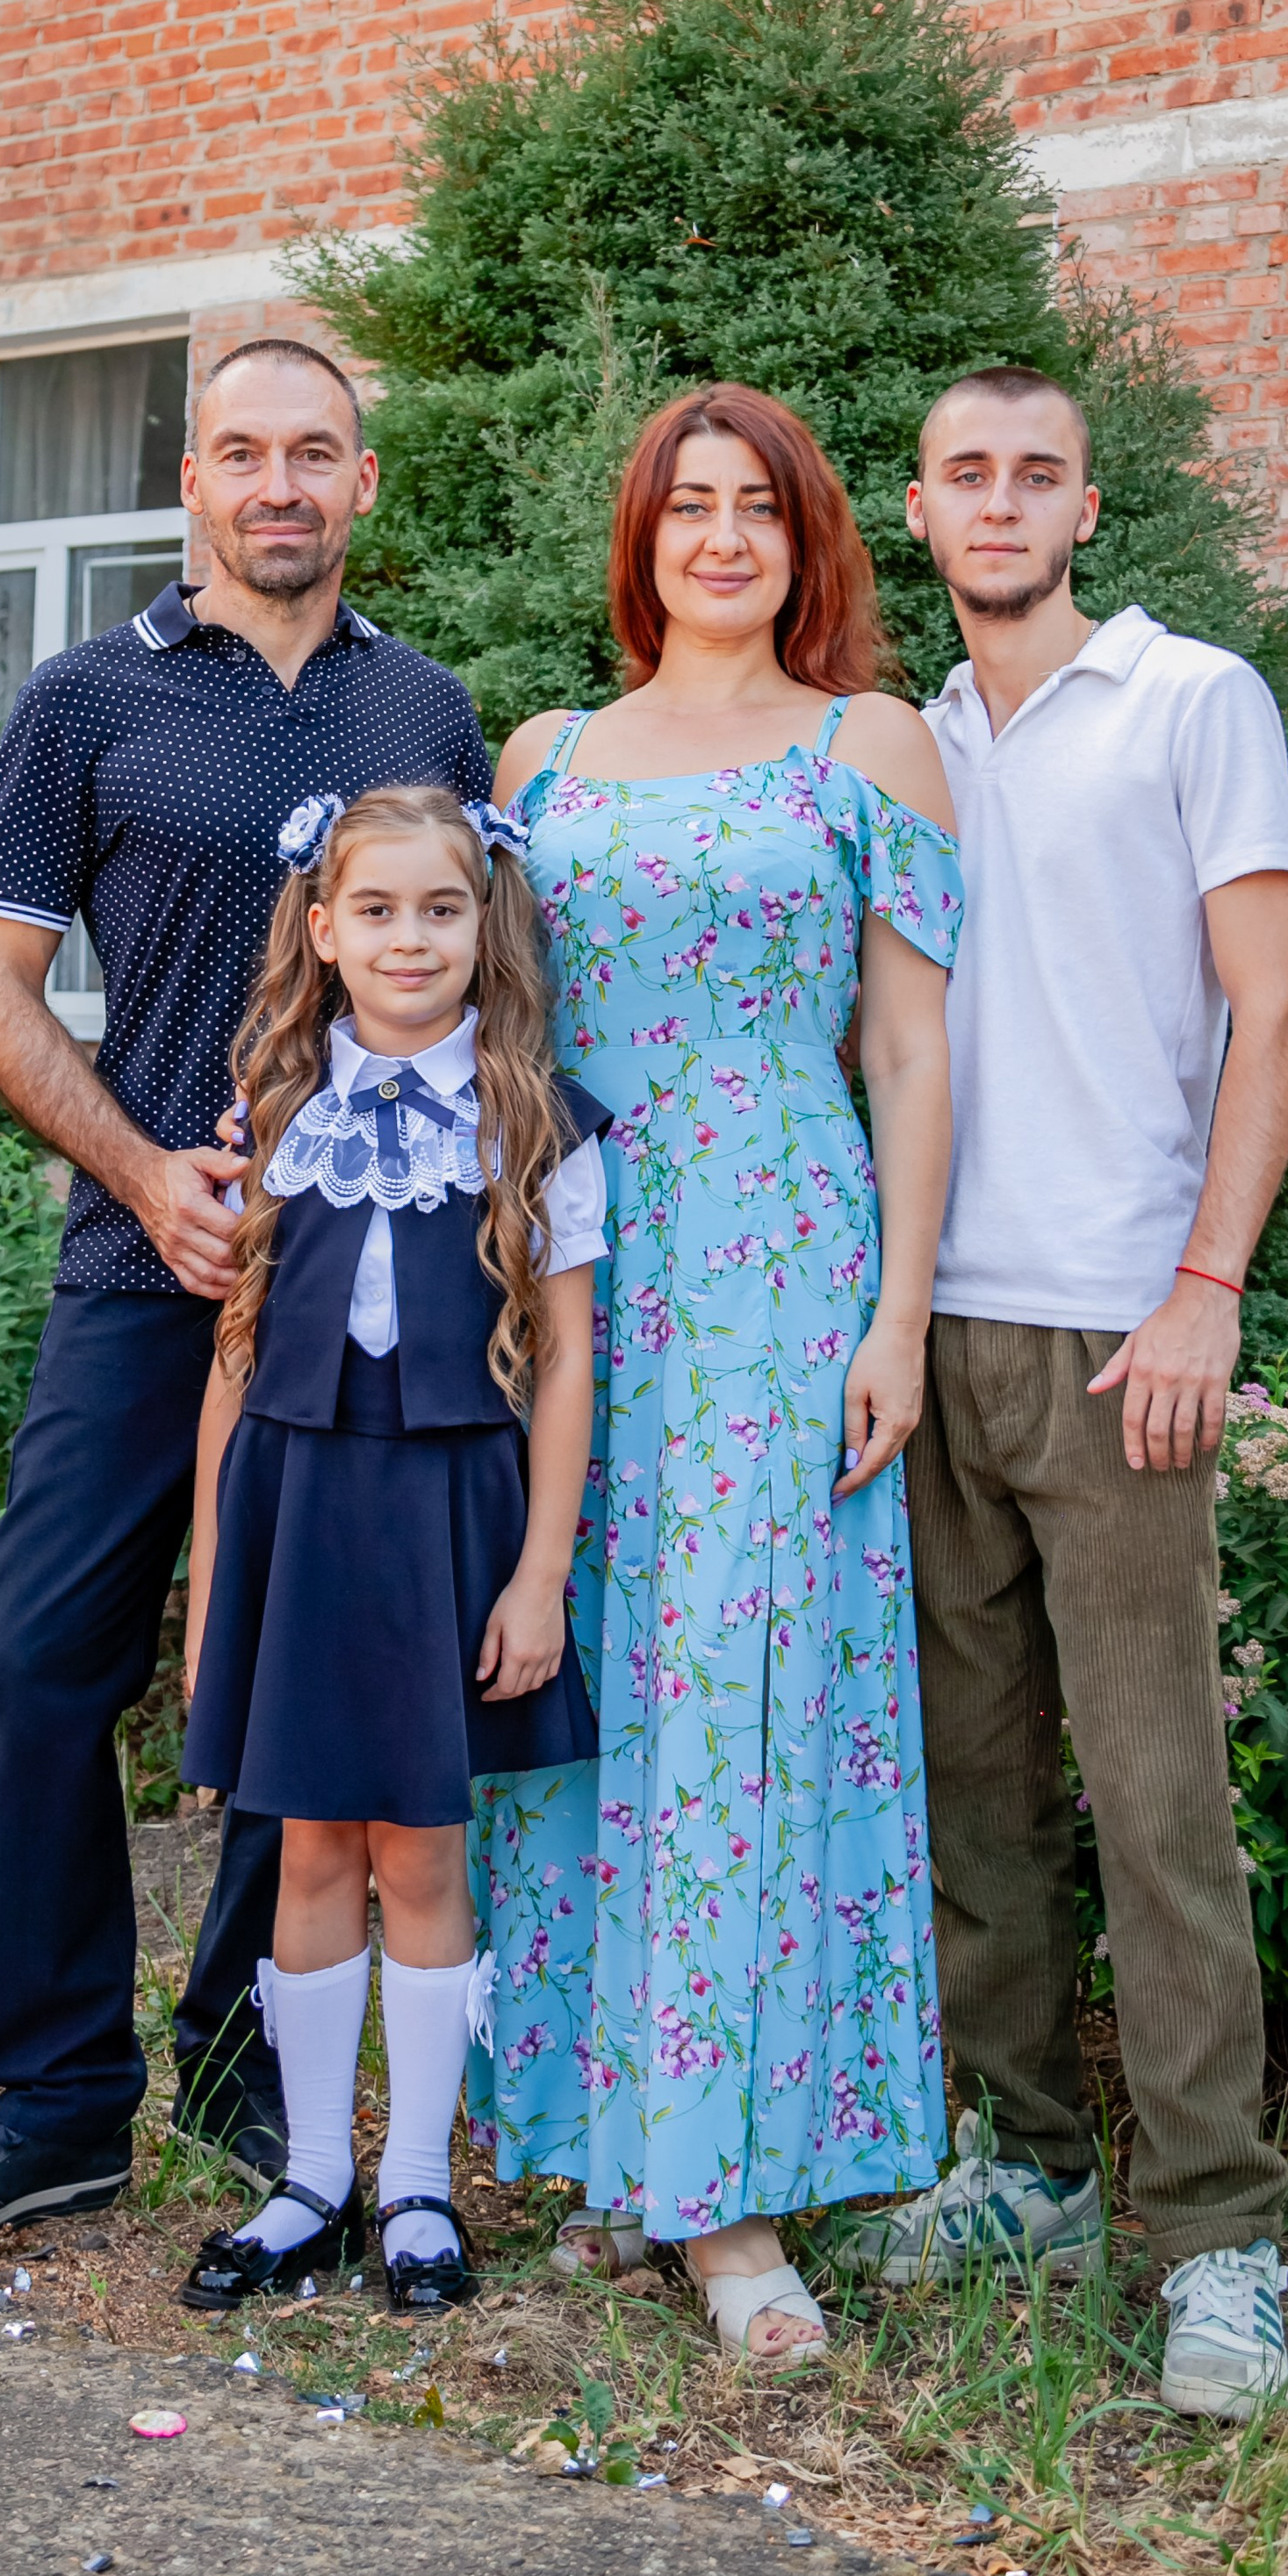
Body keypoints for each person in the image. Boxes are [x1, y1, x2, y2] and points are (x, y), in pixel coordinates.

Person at [0, 340, 492, 2248]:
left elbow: (470, 971)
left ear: (361, 485)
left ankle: (240, 2064)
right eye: (242, 453)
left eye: (314, 453)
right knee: (53, 1644)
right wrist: (146, 1175)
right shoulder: (84, 701)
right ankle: (57, 2098)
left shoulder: (428, 708)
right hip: (150, 1258)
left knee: (291, 1664)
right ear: (193, 484)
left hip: (369, 1285)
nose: (278, 484)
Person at [835, 364, 1288, 2423]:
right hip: (927, 1328)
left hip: (1125, 1335)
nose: (1002, 503)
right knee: (969, 1793)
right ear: (921, 516)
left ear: (1086, 509)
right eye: (967, 476)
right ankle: (1022, 2167)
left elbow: (1274, 1002)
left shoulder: (1189, 699)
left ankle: (1213, 2236)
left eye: (1036, 474)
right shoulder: (896, 738)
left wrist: (1206, 1285)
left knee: (1155, 1808)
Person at [479, 383, 964, 2364]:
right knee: (591, 1689)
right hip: (585, 1281)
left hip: (783, 1275)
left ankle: (739, 2199)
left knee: (752, 1701)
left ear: (805, 539)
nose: (719, 539)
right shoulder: (548, 753)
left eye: (755, 507)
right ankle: (620, 2149)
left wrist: (898, 1317)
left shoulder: (875, 745)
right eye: (685, 507)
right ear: (641, 537)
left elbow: (914, 1056)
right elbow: (483, 1017)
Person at [175, 784, 607, 2314]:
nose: (410, 938)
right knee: (306, 1843)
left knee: (422, 1847)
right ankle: (310, 2178)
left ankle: (416, 2186)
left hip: (448, 1525)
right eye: (376, 910)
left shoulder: (535, 1126)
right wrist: (214, 1573)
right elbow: (234, 1357)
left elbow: (567, 1362)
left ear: (485, 923)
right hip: (298, 1518)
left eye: (440, 908)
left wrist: (542, 1570)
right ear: (322, 929)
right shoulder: (274, 1112)